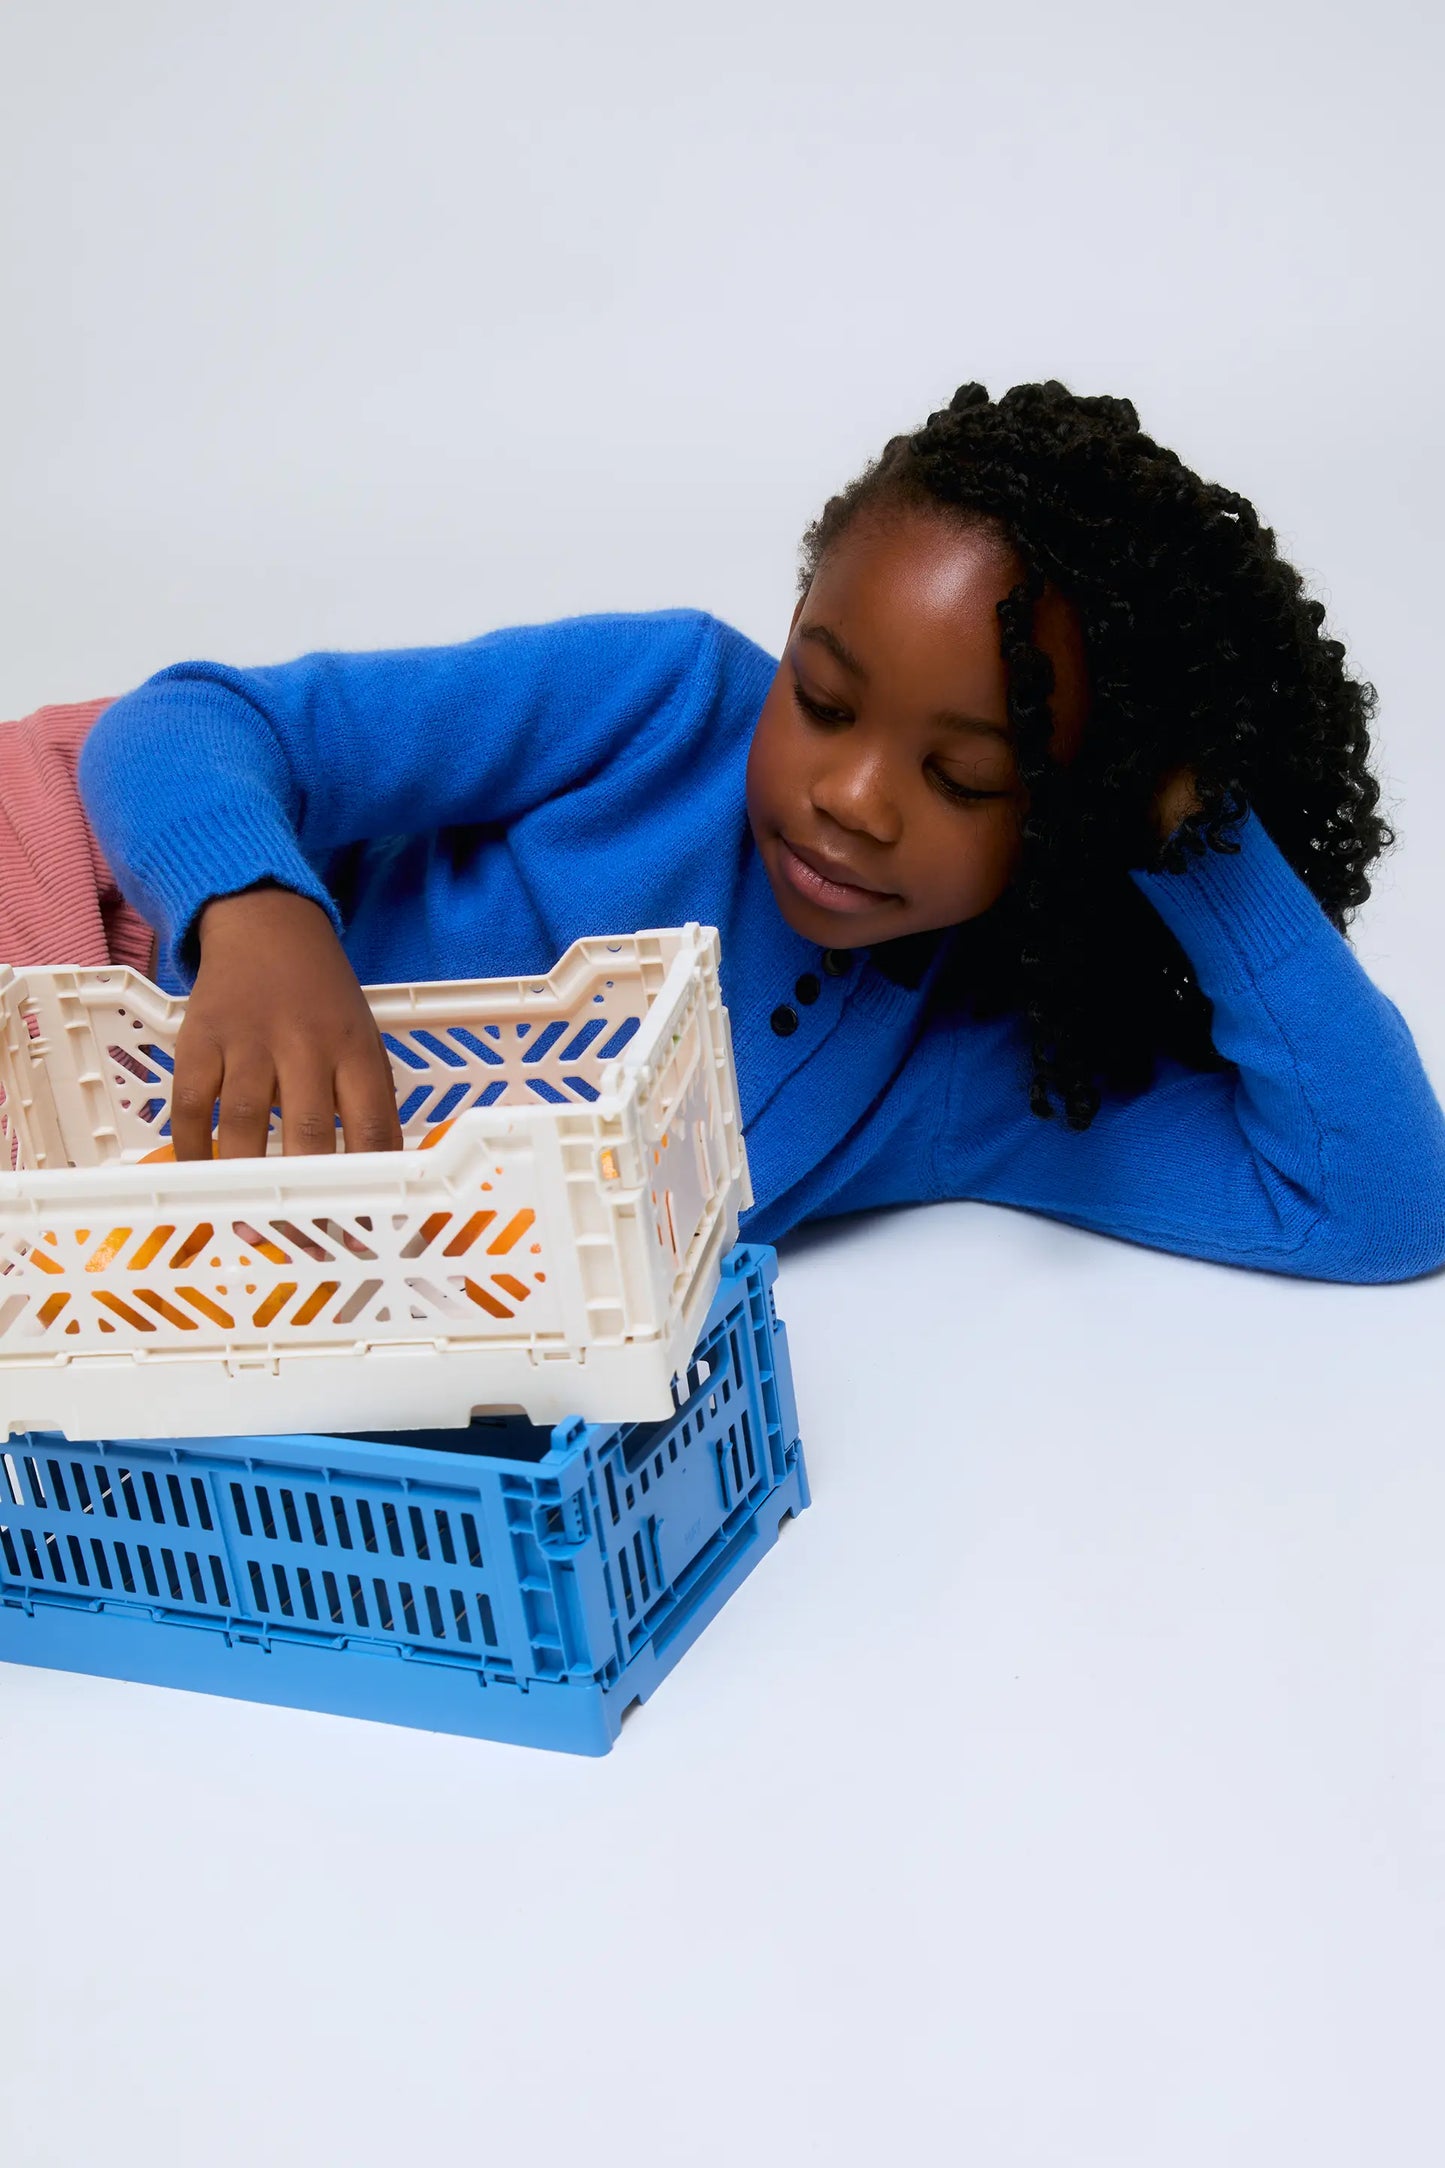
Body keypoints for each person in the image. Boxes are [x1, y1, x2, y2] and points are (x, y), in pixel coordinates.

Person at [77, 380, 1445, 1283]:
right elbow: (182, 724)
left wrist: (1185, 832)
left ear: (1065, 820)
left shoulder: (960, 1078)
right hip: (99, 903)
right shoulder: (657, 707)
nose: (850, 795)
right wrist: (259, 917)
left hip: (174, 1241)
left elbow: (1377, 1203)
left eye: (961, 778)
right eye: (824, 698)